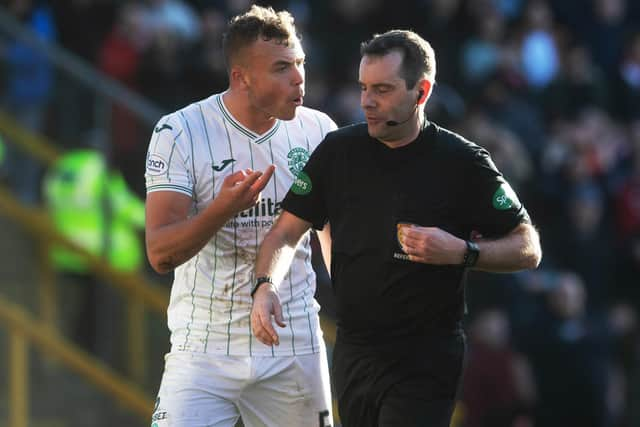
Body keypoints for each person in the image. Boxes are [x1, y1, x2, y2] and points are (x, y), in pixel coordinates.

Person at [251, 30, 542, 427]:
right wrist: (266, 284)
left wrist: (463, 252)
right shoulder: (338, 152)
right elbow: (284, 233)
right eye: (364, 88)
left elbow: (528, 246)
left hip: (426, 354)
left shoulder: (463, 162)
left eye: (383, 90)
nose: (367, 101)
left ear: (421, 92)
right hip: (354, 346)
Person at [144, 5, 336, 427]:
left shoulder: (319, 130)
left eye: (300, 63)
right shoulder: (179, 132)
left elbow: (331, 233)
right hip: (204, 347)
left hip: (292, 340)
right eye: (282, 68)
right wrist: (221, 210)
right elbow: (159, 254)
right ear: (241, 77)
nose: (299, 78)